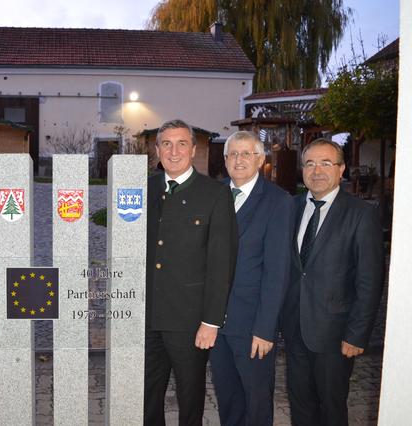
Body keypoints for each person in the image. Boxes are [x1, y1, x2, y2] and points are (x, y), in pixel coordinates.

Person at [282, 138, 383, 426]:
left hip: (335, 334)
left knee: (331, 407)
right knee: (300, 403)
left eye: (326, 163)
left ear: (342, 170)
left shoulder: (361, 214)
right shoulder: (290, 208)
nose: (317, 171)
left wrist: (356, 335)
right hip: (294, 328)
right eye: (310, 163)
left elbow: (370, 280)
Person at [144, 119, 238, 425]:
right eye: (166, 144)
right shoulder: (140, 190)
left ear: (194, 149)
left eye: (182, 143)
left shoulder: (215, 194)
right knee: (146, 398)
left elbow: (221, 263)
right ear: (156, 149)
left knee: (190, 397)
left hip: (189, 321)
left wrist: (211, 321)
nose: (174, 151)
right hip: (146, 318)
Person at [209, 131, 292, 426]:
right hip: (214, 323)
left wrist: (266, 328)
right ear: (225, 159)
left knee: (256, 403)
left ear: (260, 159)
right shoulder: (213, 194)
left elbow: (277, 271)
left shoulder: (278, 201)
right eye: (233, 154)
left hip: (252, 325)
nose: (239, 160)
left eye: (247, 154)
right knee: (228, 399)